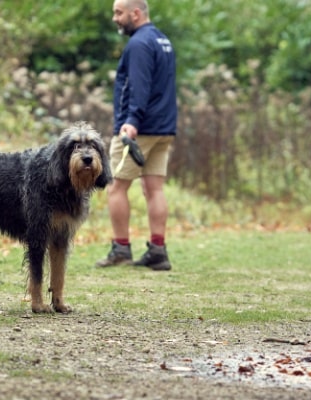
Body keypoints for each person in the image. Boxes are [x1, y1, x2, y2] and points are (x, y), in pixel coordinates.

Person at [96, 0, 177, 271]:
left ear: (136, 13)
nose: (115, 19)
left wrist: (131, 121)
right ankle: (158, 251)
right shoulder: (162, 40)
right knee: (154, 189)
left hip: (137, 130)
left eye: (118, 13)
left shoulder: (139, 44)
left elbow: (139, 87)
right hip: (163, 128)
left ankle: (121, 248)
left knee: (116, 187)